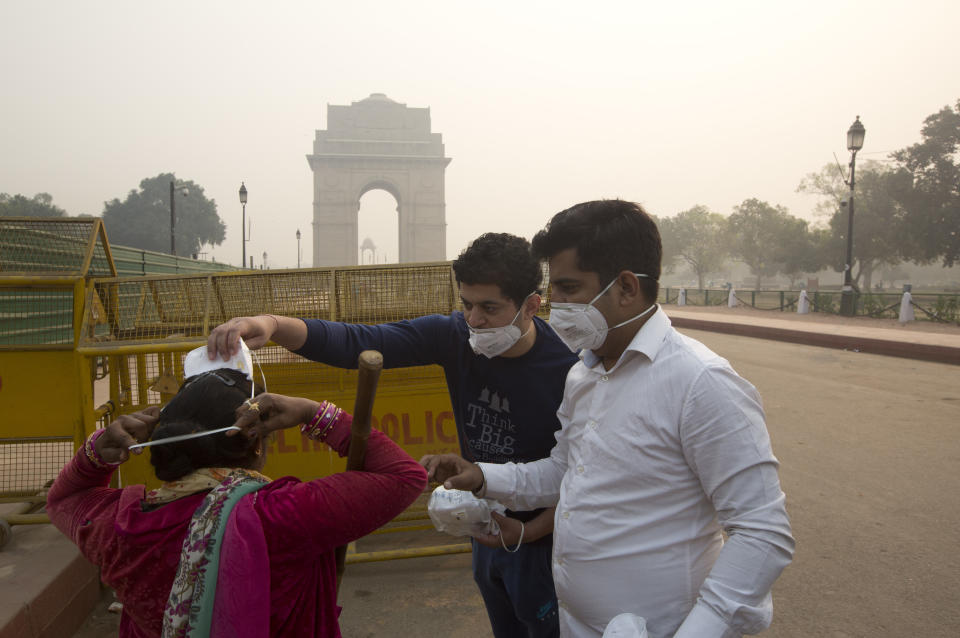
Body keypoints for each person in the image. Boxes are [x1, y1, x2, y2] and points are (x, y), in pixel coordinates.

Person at [424, 200, 795, 638]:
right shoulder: (584, 373)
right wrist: (483, 477)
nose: (554, 305)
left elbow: (761, 532)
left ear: (625, 288)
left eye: (568, 288)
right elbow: (566, 470)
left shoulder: (700, 382)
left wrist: (699, 629)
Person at [207, 233, 579, 638]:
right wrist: (273, 324)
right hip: (485, 526)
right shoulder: (455, 336)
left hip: (550, 540)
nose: (474, 320)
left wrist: (530, 532)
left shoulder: (570, 366)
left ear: (531, 305)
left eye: (489, 308)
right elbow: (361, 342)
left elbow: (579, 470)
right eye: (467, 304)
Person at [47, 368, 427, 637]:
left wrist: (96, 452)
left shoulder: (118, 523)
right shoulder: (282, 516)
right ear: (258, 443)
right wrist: (315, 414)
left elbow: (65, 498)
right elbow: (404, 476)